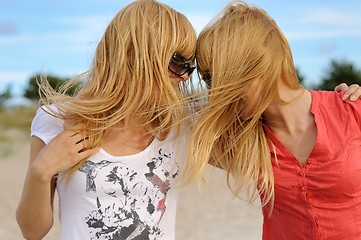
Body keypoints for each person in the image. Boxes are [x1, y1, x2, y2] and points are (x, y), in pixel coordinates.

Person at [16, 0, 196, 239]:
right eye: (176, 61)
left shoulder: (180, 125)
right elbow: (32, 232)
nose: (184, 76)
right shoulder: (56, 120)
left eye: (189, 66)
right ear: (135, 53)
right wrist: (41, 171)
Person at [185, 1, 361, 239]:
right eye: (209, 80)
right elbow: (152, 121)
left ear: (256, 62)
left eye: (220, 76)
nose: (217, 93)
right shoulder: (241, 140)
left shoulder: (352, 111)